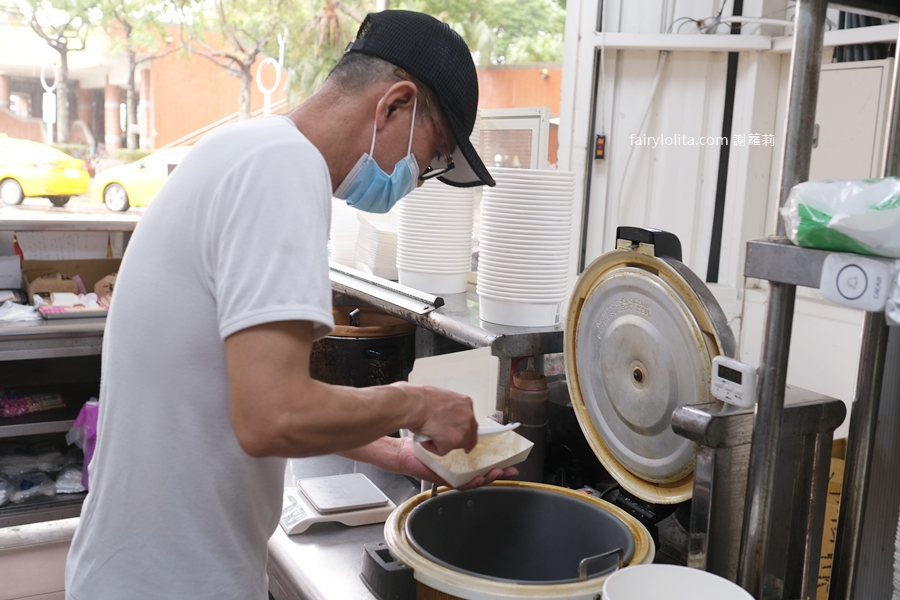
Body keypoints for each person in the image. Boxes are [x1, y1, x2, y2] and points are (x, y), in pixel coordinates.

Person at [65, 10, 512, 600]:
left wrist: (401, 453)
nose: (418, 180)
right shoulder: (284, 169)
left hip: (137, 572)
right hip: (173, 581)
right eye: (431, 157)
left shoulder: (246, 149)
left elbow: (257, 395)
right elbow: (272, 415)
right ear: (394, 105)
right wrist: (418, 401)